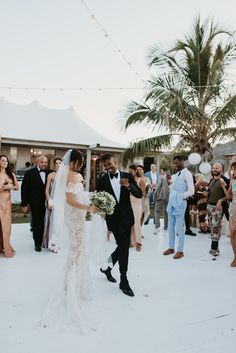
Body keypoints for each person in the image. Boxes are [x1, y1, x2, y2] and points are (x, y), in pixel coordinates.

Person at [42, 149, 98, 333]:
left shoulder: (70, 174)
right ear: (74, 161)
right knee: (76, 250)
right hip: (75, 215)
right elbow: (70, 199)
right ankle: (72, 287)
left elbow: (75, 196)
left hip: (75, 216)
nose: (81, 164)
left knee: (76, 250)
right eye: (80, 161)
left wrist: (90, 199)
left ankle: (71, 283)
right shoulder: (73, 176)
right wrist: (88, 207)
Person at [97, 153, 142, 297]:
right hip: (113, 220)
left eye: (110, 164)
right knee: (124, 247)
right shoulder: (102, 179)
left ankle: (107, 267)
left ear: (115, 162)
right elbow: (98, 198)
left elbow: (139, 194)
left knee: (122, 246)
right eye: (105, 166)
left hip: (127, 218)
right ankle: (124, 281)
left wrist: (129, 186)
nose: (108, 168)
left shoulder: (127, 176)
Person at [163, 156, 194, 259]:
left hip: (180, 202)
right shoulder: (175, 175)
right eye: (174, 163)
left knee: (179, 228)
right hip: (172, 202)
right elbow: (171, 187)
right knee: (170, 226)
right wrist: (168, 181)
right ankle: (171, 248)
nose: (175, 165)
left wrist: (180, 197)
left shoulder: (188, 174)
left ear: (182, 162)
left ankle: (180, 250)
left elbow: (191, 191)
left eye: (177, 163)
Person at [21, 155, 50, 252]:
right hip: (35, 203)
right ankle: (37, 243)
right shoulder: (29, 173)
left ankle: (45, 241)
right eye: (42, 162)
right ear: (37, 162)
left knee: (46, 222)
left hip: (48, 203)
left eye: (46, 162)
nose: (44, 164)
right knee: (37, 223)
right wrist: (24, 204)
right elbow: (24, 189)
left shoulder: (50, 172)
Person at [202, 163, 229, 260]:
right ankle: (216, 250)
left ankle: (212, 252)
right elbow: (209, 192)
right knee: (212, 228)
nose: (214, 169)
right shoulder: (212, 179)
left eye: (217, 168)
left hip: (217, 209)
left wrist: (220, 200)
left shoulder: (225, 180)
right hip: (209, 206)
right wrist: (206, 193)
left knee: (215, 229)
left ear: (221, 169)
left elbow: (229, 196)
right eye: (213, 167)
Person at [0, 155, 19, 257]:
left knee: (6, 226)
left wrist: (10, 186)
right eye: (3, 161)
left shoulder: (11, 174)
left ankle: (6, 247)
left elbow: (17, 187)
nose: (5, 162)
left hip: (6, 203)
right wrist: (3, 188)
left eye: (6, 161)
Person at [42, 157, 62, 249]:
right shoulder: (51, 175)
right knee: (51, 221)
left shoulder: (65, 176)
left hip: (61, 201)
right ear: (54, 165)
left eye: (60, 163)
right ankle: (49, 242)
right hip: (52, 200)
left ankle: (57, 242)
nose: (58, 165)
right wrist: (49, 200)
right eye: (56, 163)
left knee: (59, 222)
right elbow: (46, 190)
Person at [128, 164, 145, 251]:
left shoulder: (140, 181)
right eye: (129, 171)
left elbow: (143, 194)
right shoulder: (128, 181)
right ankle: (130, 242)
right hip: (128, 204)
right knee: (129, 224)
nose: (130, 173)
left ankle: (139, 243)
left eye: (131, 171)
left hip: (137, 205)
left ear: (135, 171)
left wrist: (134, 192)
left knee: (137, 224)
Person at [153, 168, 169, 233]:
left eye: (161, 171)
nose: (160, 172)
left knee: (156, 211)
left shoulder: (161, 177)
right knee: (165, 212)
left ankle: (157, 227)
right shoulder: (169, 178)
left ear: (165, 171)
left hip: (161, 196)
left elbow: (158, 185)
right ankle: (166, 227)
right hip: (168, 196)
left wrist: (154, 193)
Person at [226, 161, 236, 267]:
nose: (234, 171)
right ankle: (235, 256)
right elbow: (229, 196)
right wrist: (225, 186)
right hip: (233, 209)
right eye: (233, 169)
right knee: (233, 233)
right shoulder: (233, 181)